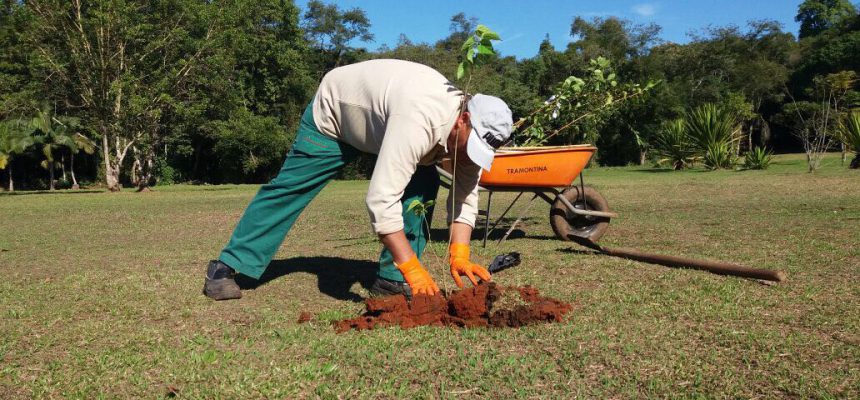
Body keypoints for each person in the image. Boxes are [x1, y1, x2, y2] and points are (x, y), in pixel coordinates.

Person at [203, 59, 513, 301]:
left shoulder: (465, 141)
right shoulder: (420, 117)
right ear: (463, 119)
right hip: (336, 114)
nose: (471, 156)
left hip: (384, 126)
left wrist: (460, 252)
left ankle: (392, 279)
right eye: (472, 145)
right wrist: (414, 267)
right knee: (291, 188)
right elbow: (380, 199)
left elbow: (466, 195)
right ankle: (228, 265)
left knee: (423, 186)